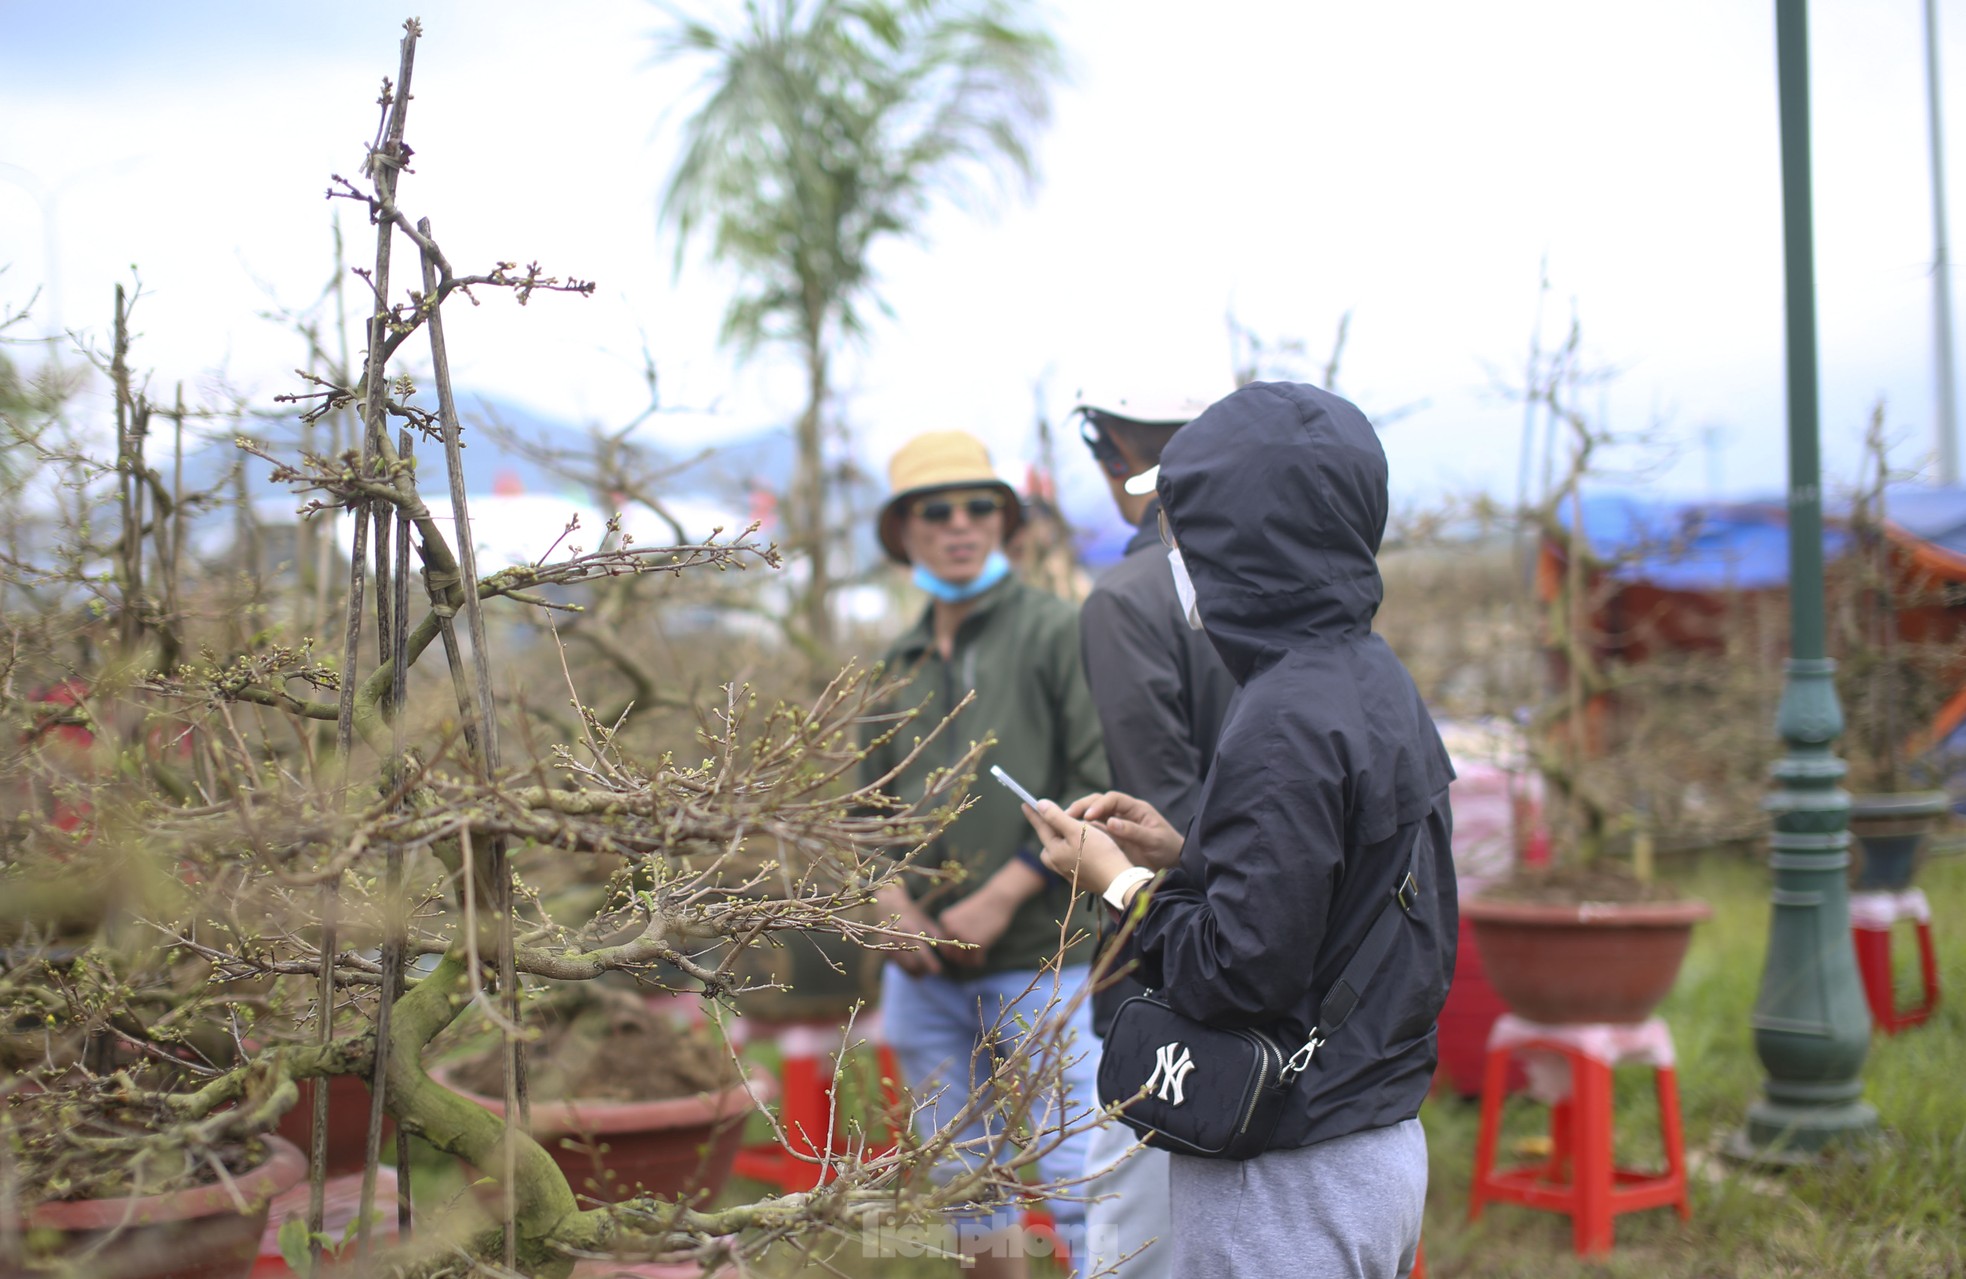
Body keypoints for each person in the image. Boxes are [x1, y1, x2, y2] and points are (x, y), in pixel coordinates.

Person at [1023, 382, 1457, 1279]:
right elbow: (1348, 884)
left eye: (1184, 525)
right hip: (1374, 1134)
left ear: (1240, 535)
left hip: (1291, 1170)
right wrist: (1188, 856)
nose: (1174, 550)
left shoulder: (1282, 717)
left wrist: (1111, 878)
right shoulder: (1370, 678)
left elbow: (1240, 972)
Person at [861, 429, 1110, 1277]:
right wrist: (888, 897)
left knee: (1082, 1177)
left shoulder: (1054, 631)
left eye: (980, 507)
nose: (960, 524)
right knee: (969, 1186)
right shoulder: (892, 661)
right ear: (905, 532)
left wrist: (1005, 891)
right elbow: (865, 809)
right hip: (926, 974)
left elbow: (1096, 779)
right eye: (937, 510)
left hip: (1044, 959)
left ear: (1006, 522)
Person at [1069, 388, 1238, 1279]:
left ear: (1117, 453)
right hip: (1297, 984)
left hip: (1170, 978)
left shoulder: (1129, 598)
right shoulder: (1302, 590)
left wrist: (1100, 868)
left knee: (1136, 1247)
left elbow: (1159, 822)